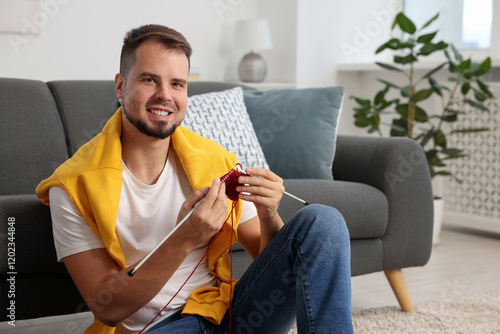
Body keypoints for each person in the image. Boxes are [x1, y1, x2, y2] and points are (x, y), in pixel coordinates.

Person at [36, 24, 353, 334]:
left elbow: (269, 261)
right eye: (150, 80)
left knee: (324, 221)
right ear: (120, 86)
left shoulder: (216, 162)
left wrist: (269, 214)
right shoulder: (73, 186)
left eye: (177, 84)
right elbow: (107, 307)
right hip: (158, 327)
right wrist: (185, 236)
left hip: (231, 315)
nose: (165, 96)